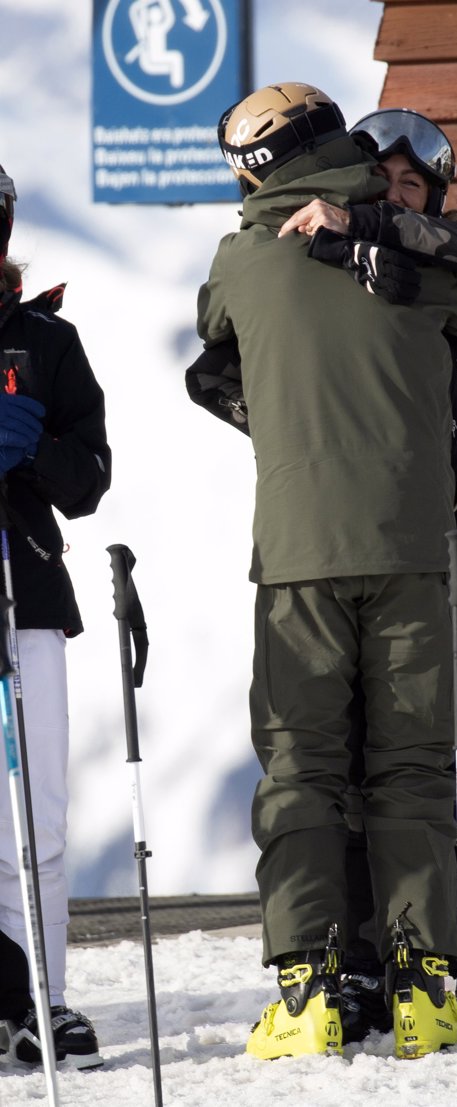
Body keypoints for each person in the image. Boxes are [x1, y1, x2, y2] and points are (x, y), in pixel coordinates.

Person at [193, 82, 457, 1061]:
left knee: (306, 772)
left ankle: (313, 987)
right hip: (417, 549)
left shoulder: (241, 261)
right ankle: (427, 990)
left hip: (303, 555)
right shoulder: (404, 265)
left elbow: (211, 350)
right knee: (418, 771)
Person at [276, 108, 457, 1039]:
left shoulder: (446, 265)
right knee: (350, 755)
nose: (392, 193)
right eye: (377, 182)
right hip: (358, 535)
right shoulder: (312, 269)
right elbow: (222, 371)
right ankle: (374, 956)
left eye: (411, 185)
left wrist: (384, 241)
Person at [0, 165, 111, 1068]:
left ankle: (45, 996)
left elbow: (92, 477)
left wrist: (33, 445)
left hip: (24, 591)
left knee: (38, 815)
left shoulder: (44, 340)